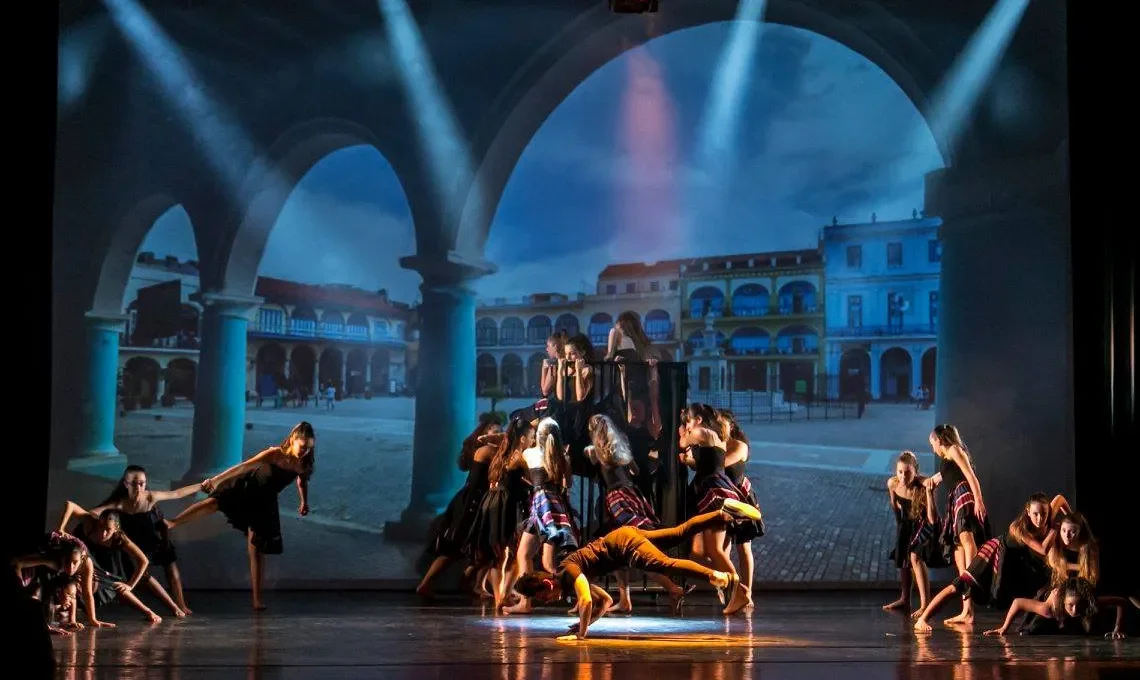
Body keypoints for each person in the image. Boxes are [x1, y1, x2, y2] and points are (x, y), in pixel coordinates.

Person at [514, 499, 762, 639]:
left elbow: (587, 601)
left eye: (542, 597)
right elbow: (604, 601)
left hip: (624, 546)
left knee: (666, 565)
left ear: (546, 584)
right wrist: (583, 625)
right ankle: (722, 513)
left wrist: (581, 632)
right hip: (624, 538)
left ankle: (719, 577)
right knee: (679, 533)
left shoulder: (568, 571)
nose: (546, 601)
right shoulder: (567, 577)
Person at [166, 421, 315, 610]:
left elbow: (302, 482)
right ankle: (173, 522)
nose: (305, 452)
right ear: (293, 440)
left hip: (265, 502)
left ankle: (256, 600)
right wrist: (216, 480)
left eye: (309, 449)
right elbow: (243, 467)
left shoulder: (304, 464)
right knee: (213, 503)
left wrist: (304, 502)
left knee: (256, 550)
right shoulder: (273, 453)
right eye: (303, 447)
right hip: (246, 487)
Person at [90, 465, 201, 615]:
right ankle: (168, 607)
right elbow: (93, 513)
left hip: (155, 534)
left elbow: (177, 493)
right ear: (126, 484)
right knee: (143, 574)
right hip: (137, 539)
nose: (139, 487)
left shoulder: (150, 497)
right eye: (135, 483)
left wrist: (201, 485)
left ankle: (181, 605)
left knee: (170, 567)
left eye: (142, 483)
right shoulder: (120, 503)